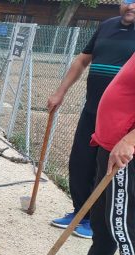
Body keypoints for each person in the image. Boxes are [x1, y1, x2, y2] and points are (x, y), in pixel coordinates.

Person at [47, 53, 135, 255]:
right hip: (109, 146)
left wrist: (130, 140)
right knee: (101, 218)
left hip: (125, 153)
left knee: (122, 223)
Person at [48, 0, 135, 239]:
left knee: (104, 171)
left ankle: (97, 224)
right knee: (80, 164)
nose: (131, 6)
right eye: (127, 1)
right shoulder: (106, 26)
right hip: (92, 112)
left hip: (123, 122)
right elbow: (81, 60)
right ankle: (80, 214)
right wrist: (60, 92)